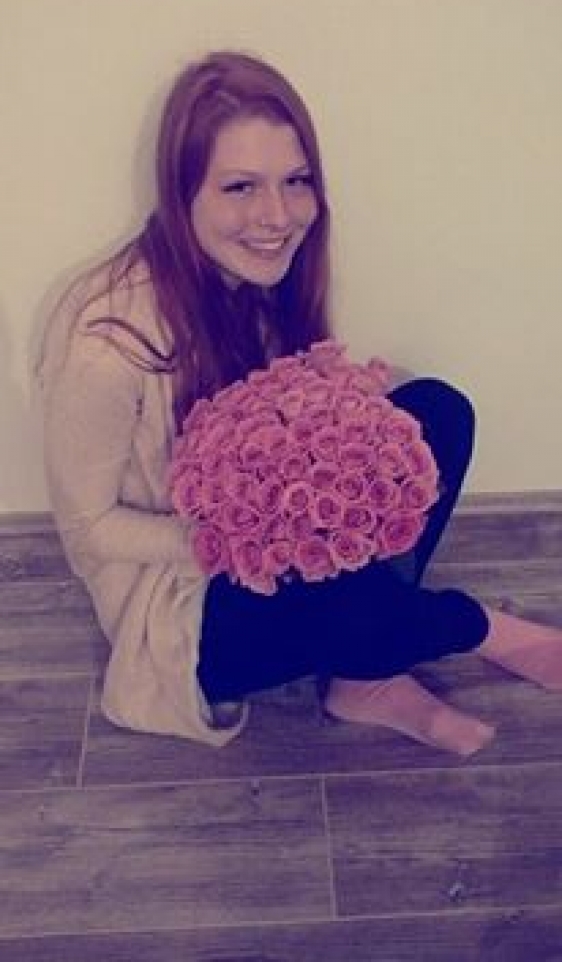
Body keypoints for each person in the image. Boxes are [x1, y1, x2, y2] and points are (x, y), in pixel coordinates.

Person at [37, 49, 562, 755]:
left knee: (436, 415)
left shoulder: (262, 275)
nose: (277, 216)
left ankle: (362, 677)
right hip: (186, 602)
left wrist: (348, 409)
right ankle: (481, 629)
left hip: (274, 544)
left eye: (295, 181)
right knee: (339, 593)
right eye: (240, 187)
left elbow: (288, 428)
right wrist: (243, 543)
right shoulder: (104, 345)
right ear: (181, 192)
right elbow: (89, 528)